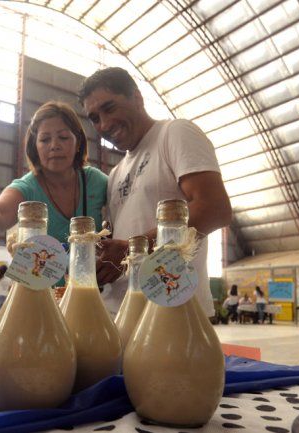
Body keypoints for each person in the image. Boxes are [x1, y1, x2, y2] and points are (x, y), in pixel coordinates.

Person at [79, 67, 232, 316]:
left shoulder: (174, 133)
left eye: (110, 108)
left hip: (173, 311)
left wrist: (131, 249)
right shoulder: (117, 172)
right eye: (94, 118)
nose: (104, 124)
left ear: (137, 98)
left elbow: (215, 209)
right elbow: (123, 241)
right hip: (122, 312)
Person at [0, 101, 109, 246]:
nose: (54, 145)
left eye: (63, 137)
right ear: (35, 147)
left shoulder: (96, 181)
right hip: (36, 278)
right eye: (45, 140)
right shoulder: (27, 188)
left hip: (89, 278)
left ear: (78, 143)